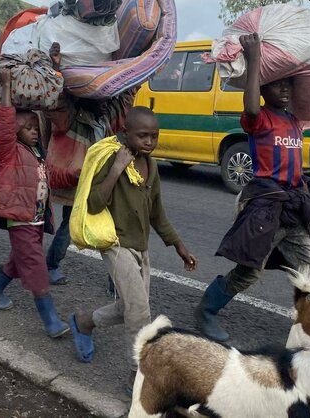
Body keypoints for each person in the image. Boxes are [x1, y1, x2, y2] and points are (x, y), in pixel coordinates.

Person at [194, 33, 310, 343]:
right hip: (265, 205)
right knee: (249, 272)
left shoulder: (294, 122)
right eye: (277, 83)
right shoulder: (260, 118)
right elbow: (251, 107)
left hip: (293, 207)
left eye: (287, 84)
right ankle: (206, 311)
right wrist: (254, 61)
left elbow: (297, 171)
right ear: (263, 87)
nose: (284, 89)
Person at [68, 107, 197, 390]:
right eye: (142, 136)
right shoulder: (113, 159)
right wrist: (116, 169)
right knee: (139, 312)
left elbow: (157, 213)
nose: (149, 142)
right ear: (125, 134)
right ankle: (137, 377)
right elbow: (94, 204)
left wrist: (179, 245)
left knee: (128, 306)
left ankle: (84, 323)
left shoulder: (150, 167)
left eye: (154, 136)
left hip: (140, 246)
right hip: (116, 244)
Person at [0, 70, 70, 338]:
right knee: (35, 265)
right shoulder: (8, 150)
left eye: (36, 128)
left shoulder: (37, 153)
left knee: (20, 261)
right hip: (19, 217)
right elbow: (5, 124)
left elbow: (54, 177)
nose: (34, 132)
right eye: (28, 128)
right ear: (17, 130)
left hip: (36, 218)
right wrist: (7, 87)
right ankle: (51, 320)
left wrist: (82, 171)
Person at [43, 43, 138, 287]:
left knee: (115, 225)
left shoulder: (107, 117)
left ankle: (115, 280)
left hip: (104, 181)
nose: (105, 101)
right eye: (100, 96)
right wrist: (55, 67)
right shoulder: (71, 117)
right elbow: (57, 100)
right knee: (69, 225)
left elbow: (127, 95)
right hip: (77, 182)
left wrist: (139, 67)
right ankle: (50, 265)